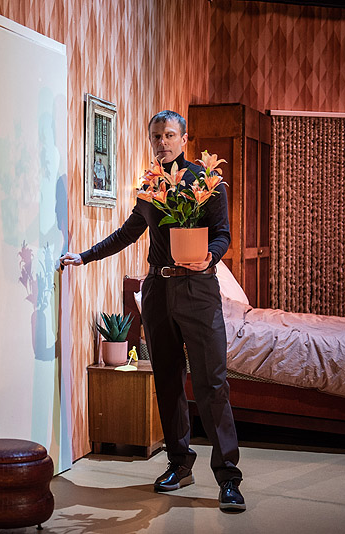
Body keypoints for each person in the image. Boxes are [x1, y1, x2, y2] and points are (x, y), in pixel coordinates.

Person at [60, 110, 245, 512]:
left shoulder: (206, 181)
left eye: (170, 135)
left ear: (184, 138)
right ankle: (179, 464)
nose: (163, 142)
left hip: (199, 289)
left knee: (212, 384)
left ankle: (228, 478)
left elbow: (223, 235)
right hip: (158, 290)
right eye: (157, 136)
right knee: (167, 379)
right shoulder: (148, 185)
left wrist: (210, 257)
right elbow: (128, 232)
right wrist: (85, 256)